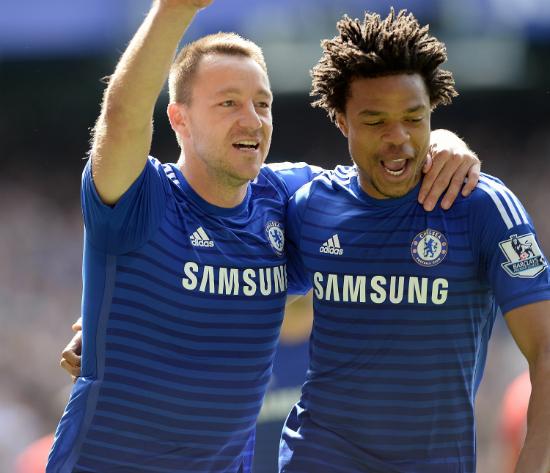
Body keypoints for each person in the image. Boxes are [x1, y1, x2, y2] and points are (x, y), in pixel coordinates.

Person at [50, 1, 481, 471]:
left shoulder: (289, 199)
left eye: (262, 104)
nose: (253, 120)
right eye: (228, 103)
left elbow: (384, 176)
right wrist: (174, 10)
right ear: (178, 119)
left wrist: (443, 143)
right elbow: (123, 117)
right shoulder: (143, 199)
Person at [279, 9, 550, 473]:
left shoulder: (482, 206)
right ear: (342, 122)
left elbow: (545, 348)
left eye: (414, 118)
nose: (398, 138)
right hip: (317, 457)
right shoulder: (310, 206)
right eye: (375, 121)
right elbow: (278, 315)